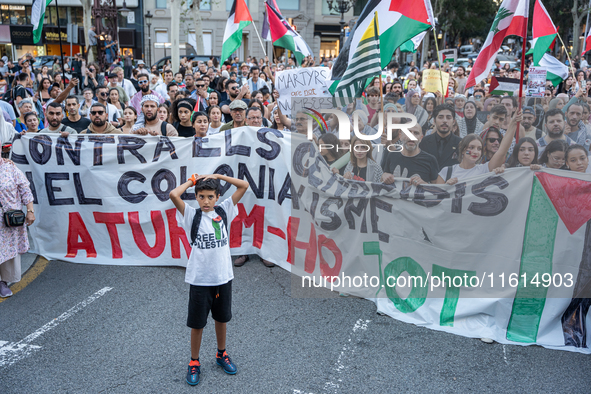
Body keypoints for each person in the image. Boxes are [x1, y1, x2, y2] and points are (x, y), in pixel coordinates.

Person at [169, 173, 249, 385]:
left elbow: (244, 185)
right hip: (200, 280)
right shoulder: (191, 215)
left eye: (210, 197)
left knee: (222, 319)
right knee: (197, 324)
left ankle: (221, 354)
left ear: (218, 196)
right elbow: (173, 194)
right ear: (196, 197)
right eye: (202, 196)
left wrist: (218, 175)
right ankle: (194, 362)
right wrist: (192, 181)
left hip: (223, 277)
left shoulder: (224, 211)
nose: (206, 201)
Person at [435, 110, 520, 184]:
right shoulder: (446, 172)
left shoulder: (485, 169)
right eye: (471, 147)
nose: (476, 152)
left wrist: (513, 123)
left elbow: (502, 152)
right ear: (463, 149)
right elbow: (436, 198)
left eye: (479, 149)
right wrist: (446, 187)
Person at [0, 152, 35, 297]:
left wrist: (30, 210)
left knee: (8, 250)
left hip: (7, 220)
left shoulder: (10, 167)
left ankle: (3, 282)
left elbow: (25, 189)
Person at [419, 105, 462, 171]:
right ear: (434, 121)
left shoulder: (460, 143)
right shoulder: (425, 141)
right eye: (440, 117)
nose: (444, 121)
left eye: (448, 118)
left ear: (453, 122)